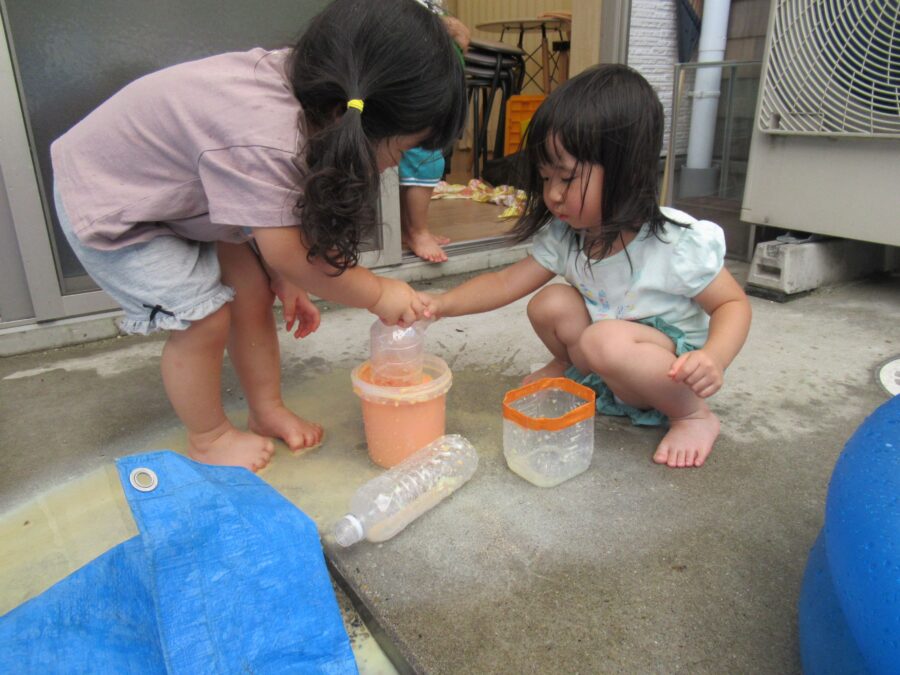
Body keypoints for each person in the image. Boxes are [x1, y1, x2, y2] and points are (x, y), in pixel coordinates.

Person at [50, 0, 466, 472]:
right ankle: (209, 436)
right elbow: (287, 249)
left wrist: (285, 274)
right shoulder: (266, 131)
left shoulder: (308, 94)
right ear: (347, 114)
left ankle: (265, 410)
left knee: (253, 288)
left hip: (177, 191)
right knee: (203, 319)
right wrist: (375, 291)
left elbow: (275, 221)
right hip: (113, 200)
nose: (395, 166)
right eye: (403, 149)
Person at [420, 64, 752, 468]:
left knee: (603, 340)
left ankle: (693, 417)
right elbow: (505, 282)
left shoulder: (674, 242)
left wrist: (714, 358)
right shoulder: (570, 235)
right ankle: (569, 367)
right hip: (610, 356)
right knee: (551, 303)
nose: (553, 195)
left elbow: (732, 304)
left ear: (626, 171)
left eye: (566, 178)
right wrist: (441, 305)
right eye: (545, 178)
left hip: (670, 372)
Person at [399, 4, 471, 263]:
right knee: (425, 162)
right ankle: (418, 231)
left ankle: (407, 229)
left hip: (421, 98)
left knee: (406, 169)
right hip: (417, 103)